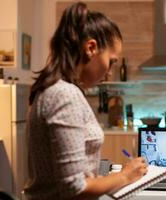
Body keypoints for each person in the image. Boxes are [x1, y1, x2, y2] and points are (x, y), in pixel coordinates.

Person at [24, 2, 147, 200]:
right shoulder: (64, 95)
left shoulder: (59, 90)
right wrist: (125, 175)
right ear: (91, 48)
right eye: (112, 61)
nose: (109, 71)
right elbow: (75, 188)